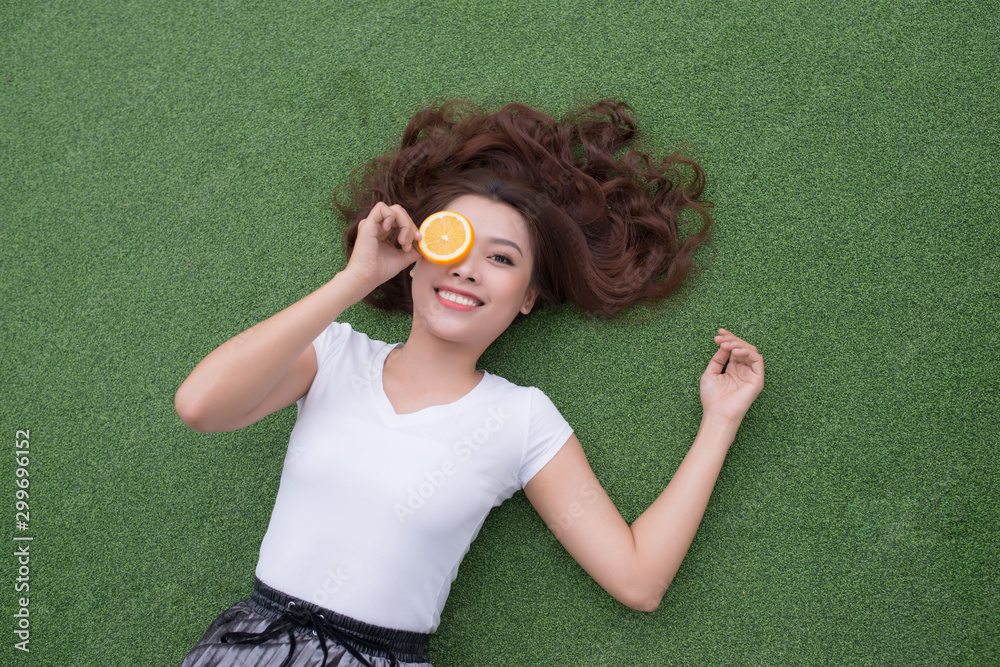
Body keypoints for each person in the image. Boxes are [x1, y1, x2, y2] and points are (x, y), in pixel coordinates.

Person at [174, 99, 765, 667]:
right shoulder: (332, 354)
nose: (467, 268)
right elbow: (201, 406)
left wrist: (721, 419)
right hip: (252, 645)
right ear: (418, 255)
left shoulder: (519, 420)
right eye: (452, 242)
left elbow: (639, 581)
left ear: (529, 297)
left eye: (502, 259)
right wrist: (354, 279)